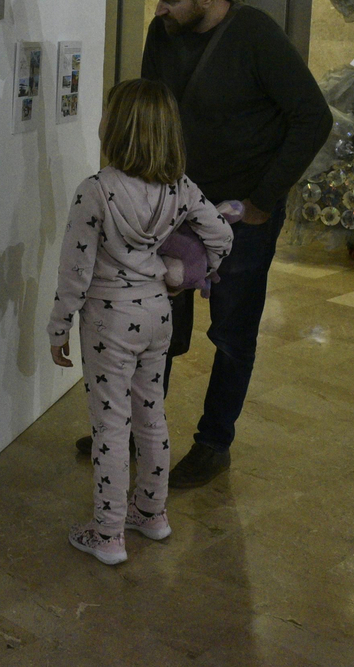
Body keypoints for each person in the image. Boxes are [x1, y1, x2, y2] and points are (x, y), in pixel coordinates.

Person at [75, 0, 332, 489]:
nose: (159, 9)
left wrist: (263, 200)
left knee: (233, 334)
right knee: (157, 322)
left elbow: (313, 117)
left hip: (240, 215)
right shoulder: (162, 31)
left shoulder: (256, 35)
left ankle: (214, 444)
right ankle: (137, 431)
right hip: (172, 205)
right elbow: (153, 111)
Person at [49, 79, 234, 564]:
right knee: (151, 414)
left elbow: (75, 271)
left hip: (108, 322)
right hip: (157, 313)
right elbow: (221, 236)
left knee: (111, 427)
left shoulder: (95, 191)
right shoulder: (180, 188)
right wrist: (189, 276)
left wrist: (58, 326)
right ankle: (151, 513)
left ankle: (108, 533)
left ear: (116, 129)